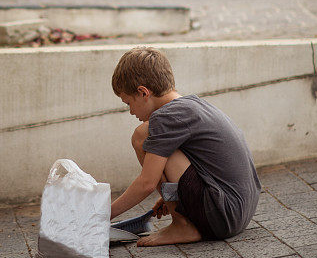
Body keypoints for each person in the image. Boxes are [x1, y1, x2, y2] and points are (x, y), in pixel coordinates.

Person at [110, 46, 261, 246]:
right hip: (240, 211)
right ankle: (182, 217)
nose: (130, 112)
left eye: (128, 103)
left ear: (143, 92)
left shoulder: (166, 118)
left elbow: (147, 183)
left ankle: (181, 225)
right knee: (154, 141)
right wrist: (175, 197)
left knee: (141, 136)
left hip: (224, 216)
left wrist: (102, 214)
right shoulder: (191, 105)